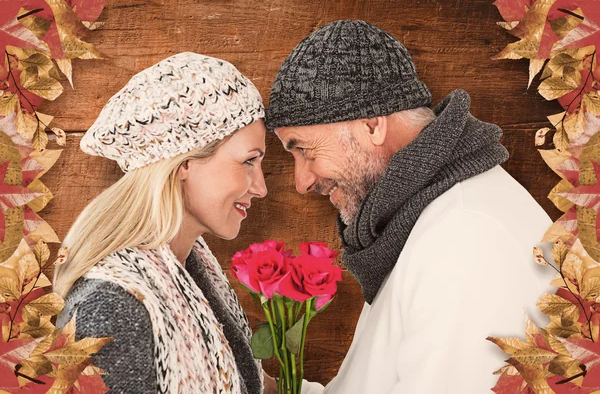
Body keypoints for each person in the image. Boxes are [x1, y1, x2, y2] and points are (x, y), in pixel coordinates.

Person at [266, 20, 555, 393]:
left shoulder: (466, 241)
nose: (301, 182)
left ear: (372, 125)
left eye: (304, 149)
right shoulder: (417, 219)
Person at [53, 52, 277, 394]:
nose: (260, 187)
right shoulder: (111, 308)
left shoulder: (195, 274)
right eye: (248, 161)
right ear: (184, 163)